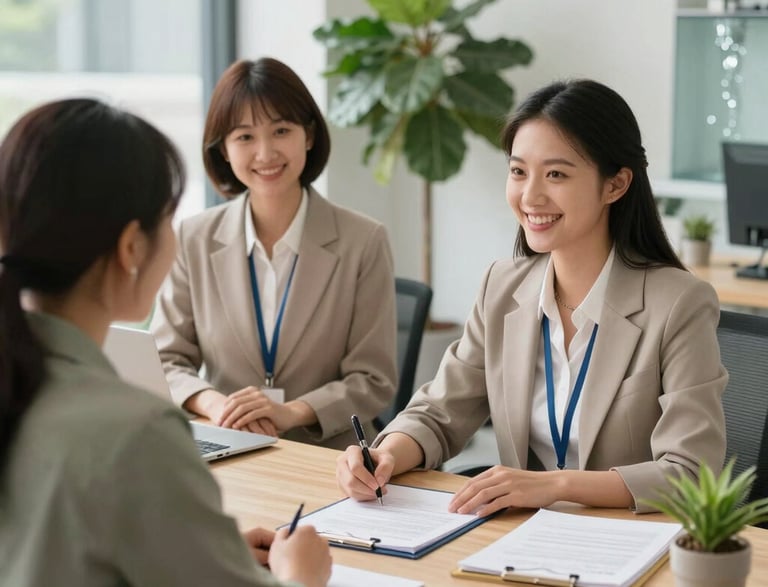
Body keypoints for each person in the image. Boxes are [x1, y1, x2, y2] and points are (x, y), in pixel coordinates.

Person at [336, 79, 728, 516]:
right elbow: (438, 412)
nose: (530, 196)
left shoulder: (679, 304)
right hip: (522, 540)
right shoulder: (502, 287)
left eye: (556, 174)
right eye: (519, 171)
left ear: (615, 185)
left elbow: (690, 472)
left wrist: (553, 485)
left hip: (627, 544)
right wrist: (387, 452)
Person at [0, 98, 331, 587]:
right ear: (132, 247)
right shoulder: (137, 432)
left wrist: (194, 545)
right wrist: (301, 575)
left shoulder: (25, 382)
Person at [150, 57, 397, 449]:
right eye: (245, 137)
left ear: (309, 136)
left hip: (331, 456)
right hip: (228, 443)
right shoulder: (194, 237)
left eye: (281, 130)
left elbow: (373, 380)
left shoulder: (363, 240)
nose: (265, 153)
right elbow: (165, 360)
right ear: (224, 151)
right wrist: (217, 406)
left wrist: (292, 411)